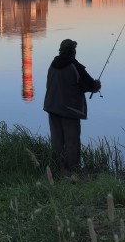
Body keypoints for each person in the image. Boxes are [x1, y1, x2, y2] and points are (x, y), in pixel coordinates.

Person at [43, 38, 101, 172]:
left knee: (56, 141)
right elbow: (90, 85)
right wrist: (97, 85)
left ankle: (57, 169)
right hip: (70, 110)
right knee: (72, 142)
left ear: (61, 50)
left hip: (52, 107)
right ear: (73, 51)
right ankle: (73, 170)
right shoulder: (75, 66)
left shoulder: (52, 65)